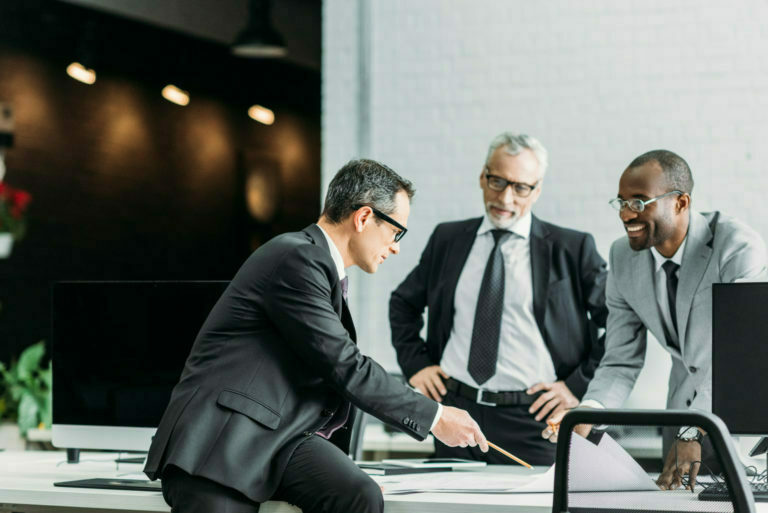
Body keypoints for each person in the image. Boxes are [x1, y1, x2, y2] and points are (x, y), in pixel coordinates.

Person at [144, 159, 489, 513]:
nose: (396, 246)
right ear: (364, 217)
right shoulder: (297, 257)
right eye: (396, 232)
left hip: (279, 438)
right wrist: (435, 416)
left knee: (358, 493)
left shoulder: (319, 269)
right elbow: (342, 364)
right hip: (224, 442)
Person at [542, 149, 768, 489]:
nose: (625, 214)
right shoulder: (622, 257)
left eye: (638, 202)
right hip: (679, 414)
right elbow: (620, 359)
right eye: (620, 203)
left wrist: (692, 429)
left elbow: (742, 357)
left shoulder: (736, 246)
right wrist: (586, 413)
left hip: (740, 419)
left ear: (680, 202)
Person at [389, 133, 608, 466]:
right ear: (482, 177)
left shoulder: (572, 248)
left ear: (537, 191)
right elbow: (403, 303)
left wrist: (578, 385)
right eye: (497, 181)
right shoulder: (448, 239)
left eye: (521, 187)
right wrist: (415, 365)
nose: (505, 197)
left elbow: (621, 325)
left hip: (536, 420)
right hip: (457, 414)